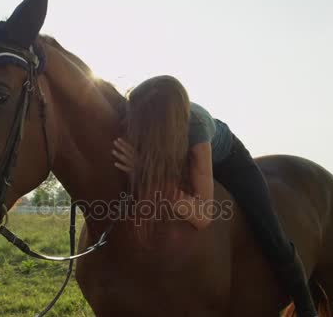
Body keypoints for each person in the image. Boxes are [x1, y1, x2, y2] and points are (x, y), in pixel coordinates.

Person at [112, 75, 318, 317]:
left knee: (271, 233)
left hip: (228, 161)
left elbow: (202, 216)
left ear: (161, 123)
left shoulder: (195, 129)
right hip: (175, 154)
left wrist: (147, 175)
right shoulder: (138, 112)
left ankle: (306, 309)